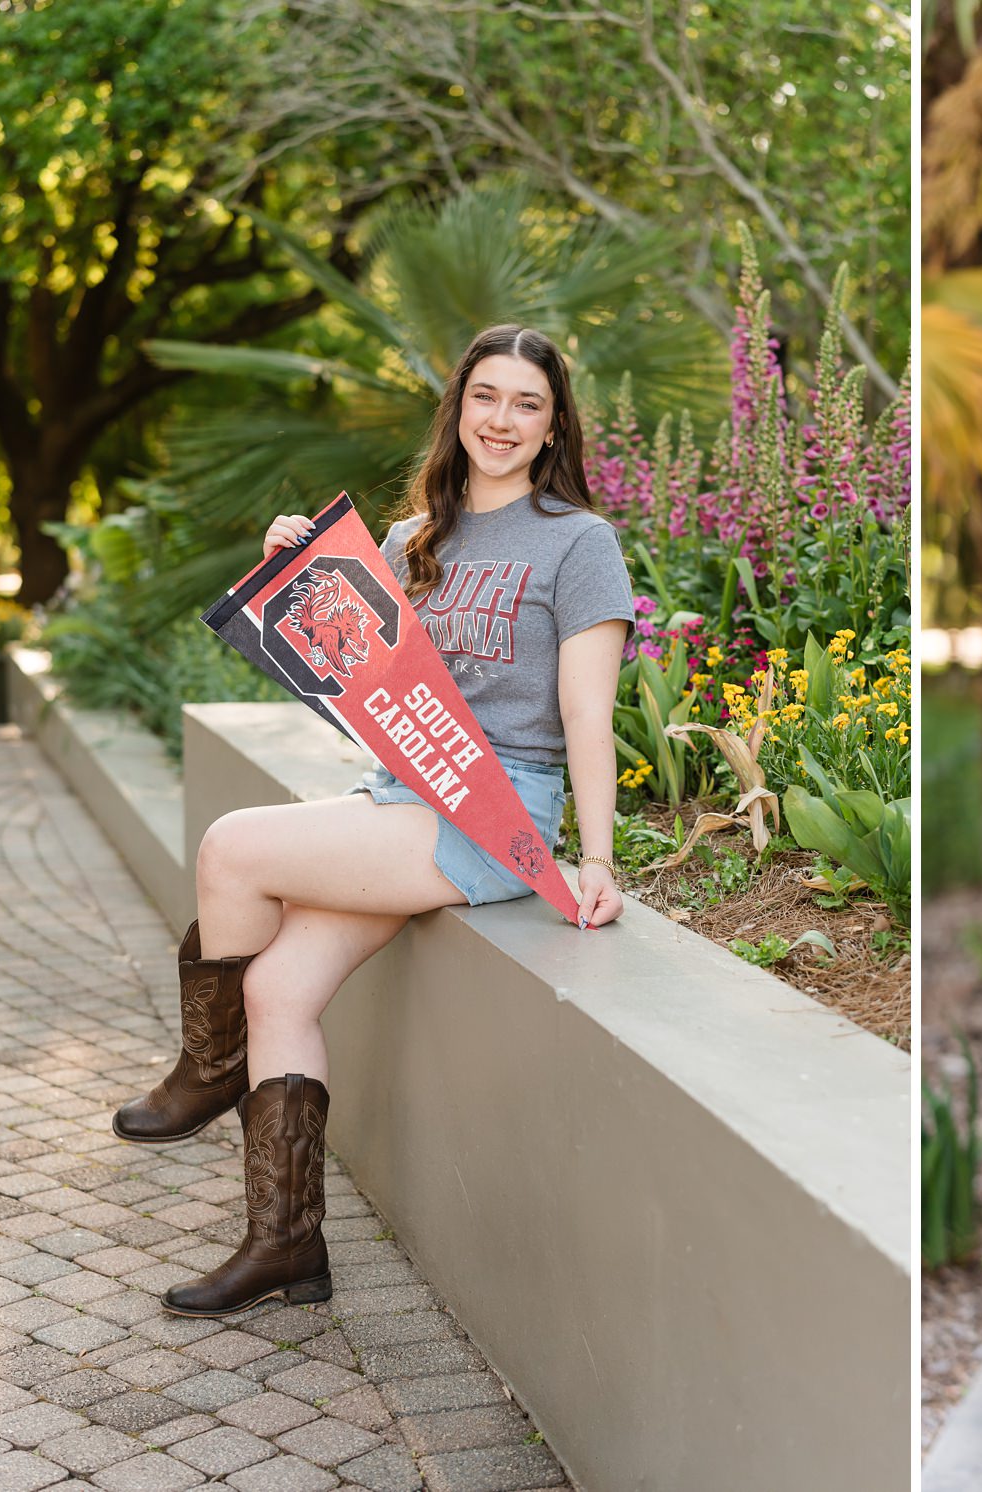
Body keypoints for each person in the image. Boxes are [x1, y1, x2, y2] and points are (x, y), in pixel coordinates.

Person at [110, 324, 635, 1318]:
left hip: (495, 811)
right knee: (275, 988)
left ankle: (205, 1071)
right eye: (486, 397)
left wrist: (596, 855)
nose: (502, 420)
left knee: (231, 847)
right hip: (401, 800)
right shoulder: (411, 541)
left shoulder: (580, 541)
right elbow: (352, 666)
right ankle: (286, 1248)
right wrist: (293, 568)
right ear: (459, 406)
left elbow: (584, 713)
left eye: (528, 403)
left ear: (556, 422)